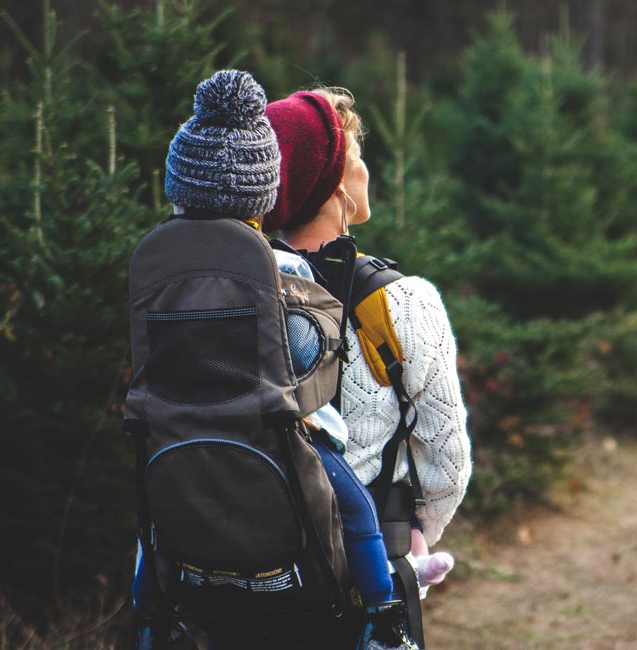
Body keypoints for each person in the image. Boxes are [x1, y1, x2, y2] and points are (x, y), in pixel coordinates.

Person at [131, 69, 413, 650]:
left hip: (172, 431)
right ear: (262, 193)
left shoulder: (158, 268)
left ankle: (148, 618)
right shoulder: (278, 270)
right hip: (271, 432)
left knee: (151, 524)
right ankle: (385, 619)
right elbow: (307, 353)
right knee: (353, 506)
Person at [262, 86, 471, 604]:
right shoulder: (404, 302)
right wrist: (411, 538)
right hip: (367, 570)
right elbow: (448, 463)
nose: (365, 170)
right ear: (334, 184)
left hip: (253, 566)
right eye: (356, 157)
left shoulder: (239, 292)